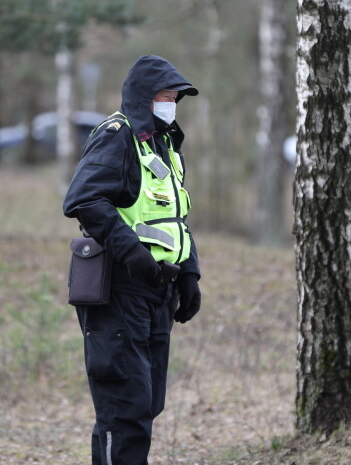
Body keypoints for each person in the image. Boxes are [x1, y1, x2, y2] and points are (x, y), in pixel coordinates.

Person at [63, 54, 202, 465]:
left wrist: (190, 272)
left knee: (146, 404)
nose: (170, 103)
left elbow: (174, 216)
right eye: (164, 95)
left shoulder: (163, 144)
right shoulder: (116, 135)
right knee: (124, 410)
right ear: (144, 97)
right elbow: (83, 199)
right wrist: (133, 255)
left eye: (175, 97)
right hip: (119, 288)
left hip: (158, 290)